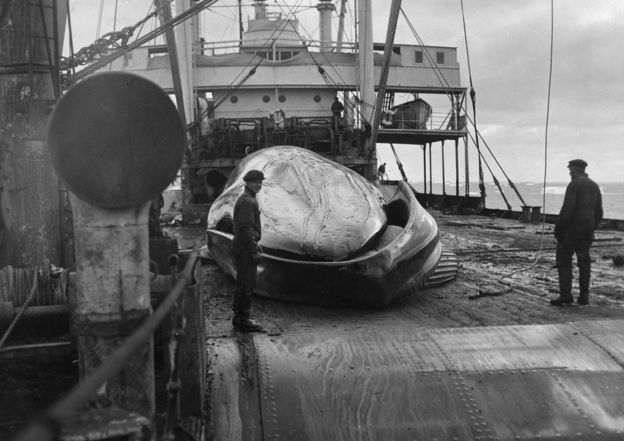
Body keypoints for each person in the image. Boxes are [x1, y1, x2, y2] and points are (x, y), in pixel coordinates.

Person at [550, 159, 603, 306]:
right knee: (584, 262)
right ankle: (584, 296)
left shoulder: (574, 184)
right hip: (587, 231)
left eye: (571, 169)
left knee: (564, 260)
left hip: (572, 231)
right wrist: (592, 227)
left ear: (576, 169)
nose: (569, 172)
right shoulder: (594, 185)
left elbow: (567, 209)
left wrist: (558, 228)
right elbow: (599, 212)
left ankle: (566, 295)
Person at [231, 169, 266, 332]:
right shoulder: (246, 200)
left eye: (261, 182)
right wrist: (254, 250)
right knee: (246, 283)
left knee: (244, 282)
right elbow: (245, 229)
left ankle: (240, 316)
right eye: (256, 182)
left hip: (244, 245)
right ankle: (242, 319)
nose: (259, 185)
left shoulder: (249, 197)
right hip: (245, 248)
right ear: (247, 182)